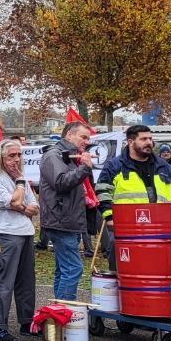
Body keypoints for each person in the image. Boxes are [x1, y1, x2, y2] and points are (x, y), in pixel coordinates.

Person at [94, 125, 171, 266]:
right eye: (144, 139)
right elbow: (102, 191)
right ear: (131, 142)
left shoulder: (164, 167)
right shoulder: (115, 166)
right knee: (123, 266)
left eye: (150, 139)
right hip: (125, 226)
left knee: (155, 267)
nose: (149, 142)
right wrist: (109, 217)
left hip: (159, 227)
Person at [0, 139, 38, 341]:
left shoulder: (21, 179)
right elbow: (15, 201)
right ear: (1, 158)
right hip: (5, 234)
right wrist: (20, 191)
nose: (16, 159)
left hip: (25, 232)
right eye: (11, 156)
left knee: (26, 281)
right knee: (4, 281)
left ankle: (27, 322)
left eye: (19, 155)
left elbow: (33, 207)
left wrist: (20, 204)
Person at [38, 120, 98, 301]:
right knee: (73, 268)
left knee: (63, 270)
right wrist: (85, 168)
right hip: (61, 221)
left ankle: (59, 311)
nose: (87, 141)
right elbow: (62, 182)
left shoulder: (73, 156)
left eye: (88, 138)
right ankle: (65, 310)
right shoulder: (54, 155)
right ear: (69, 134)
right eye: (83, 137)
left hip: (69, 221)